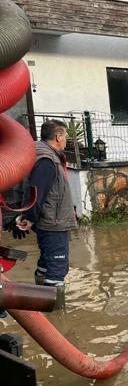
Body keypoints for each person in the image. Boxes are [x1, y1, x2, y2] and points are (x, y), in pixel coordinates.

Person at [13, 119, 77, 288]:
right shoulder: (47, 160)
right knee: (57, 269)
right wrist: (29, 217)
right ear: (58, 136)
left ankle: (40, 301)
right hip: (53, 223)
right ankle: (55, 311)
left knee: (46, 262)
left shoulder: (38, 153)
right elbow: (37, 192)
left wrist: (25, 215)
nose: (66, 140)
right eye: (65, 136)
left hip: (47, 221)